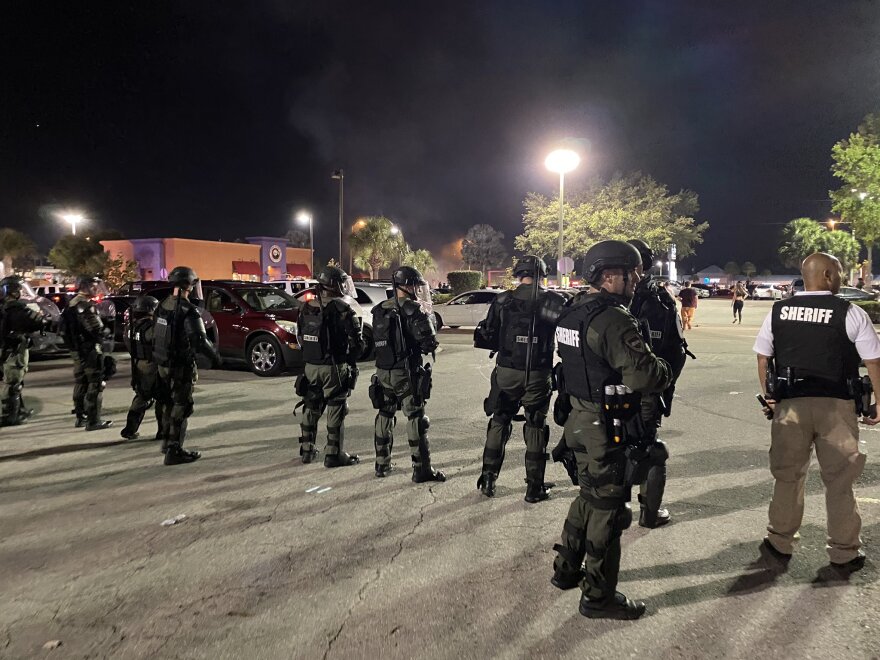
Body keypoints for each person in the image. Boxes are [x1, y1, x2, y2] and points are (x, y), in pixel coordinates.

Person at [550, 240, 672, 620]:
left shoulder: (573, 312)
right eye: (631, 272)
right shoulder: (614, 319)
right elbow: (645, 375)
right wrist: (664, 368)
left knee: (588, 494)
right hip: (605, 426)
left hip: (577, 420)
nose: (637, 278)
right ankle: (598, 596)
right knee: (609, 508)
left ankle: (566, 569)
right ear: (609, 276)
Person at [754, 252, 880, 575]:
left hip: (789, 406)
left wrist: (770, 397)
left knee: (787, 476)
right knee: (839, 481)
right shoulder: (849, 312)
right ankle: (844, 551)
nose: (840, 278)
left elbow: (763, 357)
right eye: (837, 273)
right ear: (826, 275)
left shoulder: (779, 311)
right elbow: (873, 361)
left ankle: (779, 543)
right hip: (836, 407)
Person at [473, 255, 566, 503]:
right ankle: (534, 488)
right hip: (538, 374)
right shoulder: (553, 301)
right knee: (535, 426)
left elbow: (488, 334)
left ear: (519, 274)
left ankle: (489, 478)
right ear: (542, 274)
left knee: (499, 421)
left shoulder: (503, 300)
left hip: (506, 372)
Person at [625, 239, 690, 527]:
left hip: (609, 391)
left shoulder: (609, 295)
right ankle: (649, 514)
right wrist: (665, 387)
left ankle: (615, 506)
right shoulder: (661, 301)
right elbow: (676, 351)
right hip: (649, 391)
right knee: (651, 450)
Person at [369, 266, 445, 482]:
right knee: (415, 417)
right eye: (415, 285)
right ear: (409, 285)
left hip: (383, 371)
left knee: (385, 413)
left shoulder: (379, 309)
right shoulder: (413, 309)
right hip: (405, 372)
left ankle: (381, 465)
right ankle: (421, 469)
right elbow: (429, 342)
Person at [296, 265, 365, 467]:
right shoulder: (343, 309)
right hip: (334, 366)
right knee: (336, 408)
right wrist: (350, 360)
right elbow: (357, 344)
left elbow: (300, 336)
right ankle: (334, 454)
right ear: (334, 285)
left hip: (310, 366)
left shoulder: (307, 306)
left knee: (311, 405)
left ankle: (307, 451)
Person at [152, 267, 222, 465]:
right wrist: (215, 357)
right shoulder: (187, 309)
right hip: (180, 365)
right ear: (188, 285)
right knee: (182, 406)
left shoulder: (163, 304)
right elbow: (199, 339)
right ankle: (174, 450)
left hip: (163, 363)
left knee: (168, 403)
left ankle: (167, 441)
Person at [62, 275, 113, 431]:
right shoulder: (84, 306)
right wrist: (107, 330)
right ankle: (93, 420)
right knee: (95, 383)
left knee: (81, 382)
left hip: (77, 350)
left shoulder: (71, 304)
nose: (96, 288)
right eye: (93, 285)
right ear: (85, 286)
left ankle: (80, 417)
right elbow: (96, 329)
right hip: (89, 349)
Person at [0, 276, 52, 426]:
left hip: (7, 349)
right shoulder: (15, 308)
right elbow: (36, 321)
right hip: (15, 350)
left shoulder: (4, 308)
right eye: (17, 290)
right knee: (13, 383)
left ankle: (19, 410)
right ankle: (10, 415)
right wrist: (43, 319)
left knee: (16, 381)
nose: (19, 292)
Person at [120, 296, 165, 440]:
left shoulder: (130, 327)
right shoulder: (150, 327)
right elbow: (161, 343)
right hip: (152, 366)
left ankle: (129, 429)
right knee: (162, 398)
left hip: (137, 365)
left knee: (141, 397)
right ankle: (163, 431)